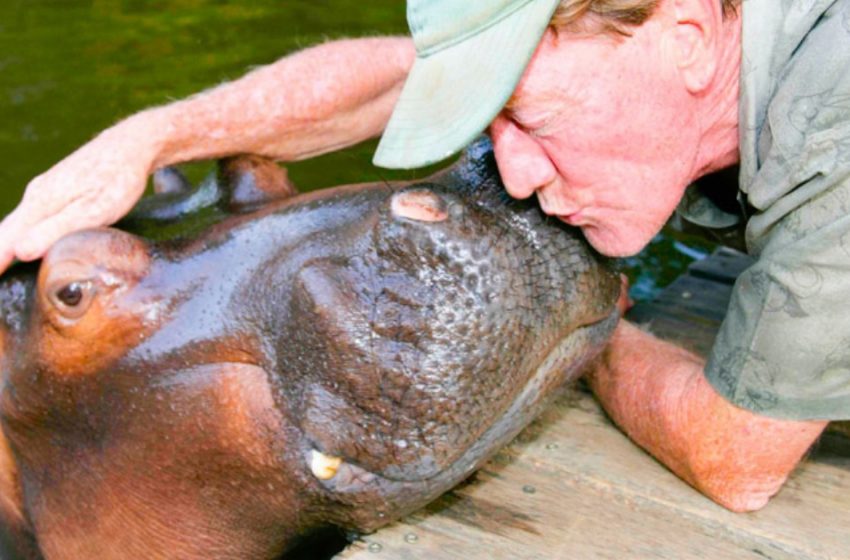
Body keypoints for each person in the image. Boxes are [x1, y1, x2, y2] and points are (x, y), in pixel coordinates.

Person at [1, 0, 848, 513]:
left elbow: (735, 457)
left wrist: (574, 326)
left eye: (535, 116)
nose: (508, 171)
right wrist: (149, 139)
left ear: (691, 38)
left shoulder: (832, 117)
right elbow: (386, 80)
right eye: (494, 122)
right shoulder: (696, 41)